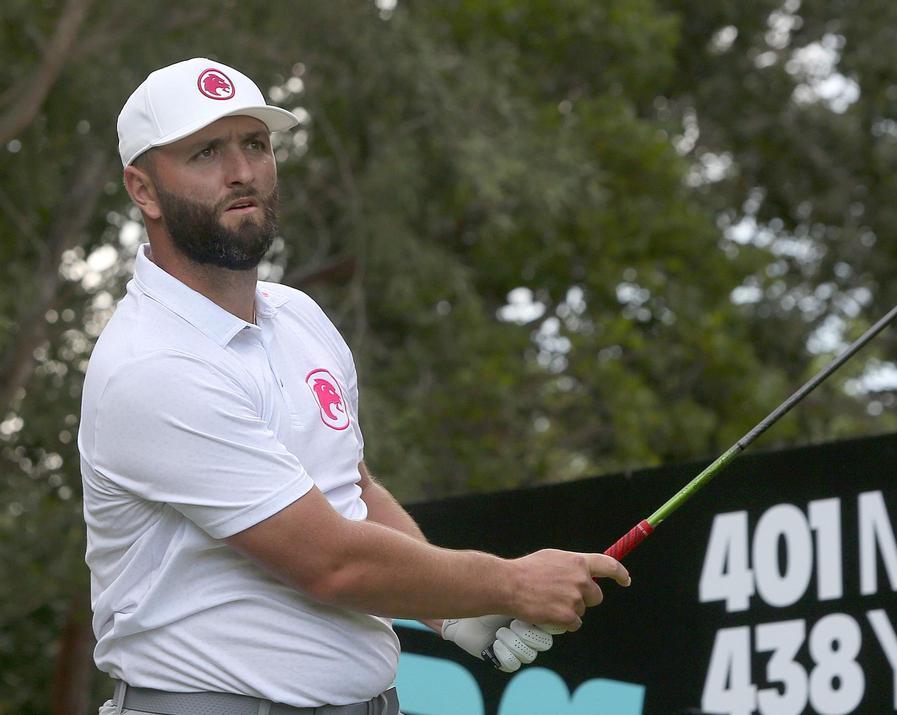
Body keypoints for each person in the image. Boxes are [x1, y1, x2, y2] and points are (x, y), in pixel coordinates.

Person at [80, 57, 630, 715]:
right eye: (205, 152)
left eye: (255, 144)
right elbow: (330, 560)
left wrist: (451, 616)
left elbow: (354, 490)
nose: (241, 171)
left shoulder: (299, 318)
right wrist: (510, 583)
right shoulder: (152, 365)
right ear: (142, 190)